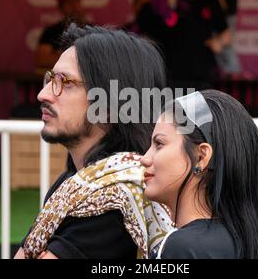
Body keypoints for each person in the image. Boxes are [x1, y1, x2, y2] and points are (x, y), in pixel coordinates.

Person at [14, 24, 173, 259]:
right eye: (50, 79)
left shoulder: (112, 201)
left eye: (65, 82)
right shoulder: (75, 184)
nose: (44, 94)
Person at [141, 90, 258, 258]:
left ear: (200, 157)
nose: (144, 158)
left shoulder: (183, 248)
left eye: (159, 144)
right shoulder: (240, 240)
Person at [137, 0, 230, 90]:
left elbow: (225, 31)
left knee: (201, 110)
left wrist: (219, 42)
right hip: (170, 75)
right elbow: (146, 31)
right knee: (171, 111)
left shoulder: (211, 0)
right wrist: (166, 8)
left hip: (202, 76)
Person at [35, 0, 90, 71]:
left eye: (76, 1)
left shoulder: (93, 30)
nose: (74, 6)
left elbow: (101, 59)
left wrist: (59, 56)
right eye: (69, 3)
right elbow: (42, 60)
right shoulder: (51, 32)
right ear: (60, 8)